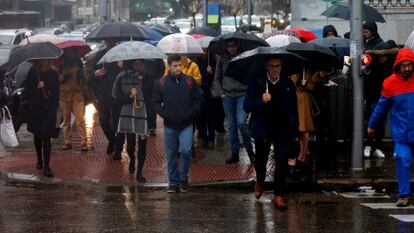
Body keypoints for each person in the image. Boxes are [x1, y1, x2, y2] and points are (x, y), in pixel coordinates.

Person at [244, 57, 299, 209]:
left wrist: (295, 132)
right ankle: (260, 181)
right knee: (261, 160)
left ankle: (278, 194)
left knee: (281, 160)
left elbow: (294, 110)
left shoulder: (287, 84)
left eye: (278, 66)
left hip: (282, 128)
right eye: (272, 66)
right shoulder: (258, 83)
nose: (275, 69)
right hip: (263, 128)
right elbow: (247, 106)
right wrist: (261, 101)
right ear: (266, 67)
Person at [368, 48, 414, 207]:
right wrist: (371, 125)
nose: (407, 68)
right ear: (398, 66)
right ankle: (404, 195)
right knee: (402, 159)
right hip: (402, 133)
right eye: (404, 65)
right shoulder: (390, 83)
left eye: (409, 65)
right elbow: (381, 107)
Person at [152, 54, 202, 193]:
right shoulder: (161, 83)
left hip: (186, 123)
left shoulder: (189, 81)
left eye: (179, 65)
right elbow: (155, 102)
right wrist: (164, 114)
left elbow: (198, 99)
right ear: (169, 66)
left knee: (186, 151)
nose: (178, 68)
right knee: (172, 154)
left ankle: (184, 179)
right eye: (175, 66)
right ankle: (173, 182)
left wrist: (191, 112)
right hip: (170, 124)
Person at [212, 38, 255, 164]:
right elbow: (216, 79)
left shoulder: (245, 56)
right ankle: (234, 153)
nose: (231, 48)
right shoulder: (222, 58)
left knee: (241, 122)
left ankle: (250, 151)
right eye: (229, 46)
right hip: (228, 95)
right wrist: (220, 92)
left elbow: (251, 75)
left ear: (238, 45)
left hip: (242, 94)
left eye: (233, 45)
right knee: (231, 126)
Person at [112, 59, 148, 182]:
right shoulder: (121, 77)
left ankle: (140, 172)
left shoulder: (144, 76)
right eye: (136, 63)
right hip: (127, 112)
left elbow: (151, 93)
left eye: (140, 63)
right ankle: (132, 159)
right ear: (130, 63)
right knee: (130, 146)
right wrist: (130, 96)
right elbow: (115, 96)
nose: (138, 66)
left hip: (142, 111)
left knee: (143, 142)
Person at [24, 60, 60, 177]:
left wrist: (46, 87)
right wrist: (36, 87)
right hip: (36, 109)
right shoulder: (33, 72)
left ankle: (47, 166)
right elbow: (27, 92)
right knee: (37, 135)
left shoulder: (53, 73)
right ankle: (39, 158)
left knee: (47, 137)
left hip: (48, 110)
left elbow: (56, 93)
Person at [86, 38, 121, 156]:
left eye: (113, 41)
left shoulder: (121, 54)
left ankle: (118, 147)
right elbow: (89, 74)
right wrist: (95, 74)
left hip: (117, 93)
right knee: (104, 120)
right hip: (102, 93)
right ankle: (112, 140)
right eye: (109, 41)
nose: (111, 43)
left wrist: (122, 66)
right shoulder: (99, 55)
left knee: (116, 121)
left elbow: (132, 71)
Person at [364, 42, 398, 158]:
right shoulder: (373, 64)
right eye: (381, 56)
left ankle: (377, 146)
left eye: (385, 55)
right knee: (372, 120)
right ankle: (368, 145)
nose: (383, 58)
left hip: (384, 96)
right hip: (373, 96)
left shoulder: (390, 65)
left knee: (381, 122)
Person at [290, 68, 328, 164]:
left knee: (305, 132)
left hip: (303, 103)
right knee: (293, 132)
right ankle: (292, 158)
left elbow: (311, 86)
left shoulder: (305, 69)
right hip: (292, 102)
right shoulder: (289, 68)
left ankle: (302, 157)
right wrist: (297, 82)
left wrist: (306, 84)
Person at [58, 48, 88, 151]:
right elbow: (56, 80)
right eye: (69, 52)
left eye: (73, 51)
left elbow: (86, 79)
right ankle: (68, 142)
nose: (71, 53)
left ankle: (84, 142)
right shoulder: (61, 65)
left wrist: (81, 75)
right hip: (64, 95)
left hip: (77, 94)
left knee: (80, 120)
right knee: (66, 120)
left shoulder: (79, 64)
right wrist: (64, 76)